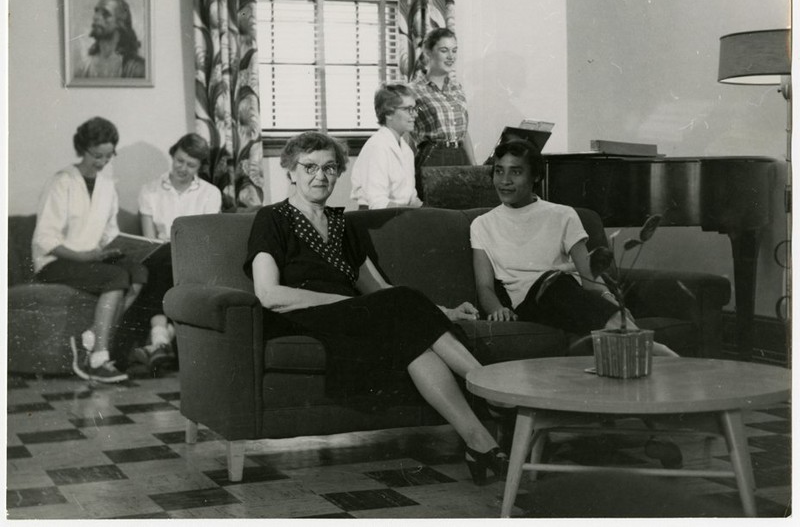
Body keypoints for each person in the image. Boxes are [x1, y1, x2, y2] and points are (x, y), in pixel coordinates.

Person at [245, 131, 507, 485]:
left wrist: (444, 311)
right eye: (309, 167)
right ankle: (491, 389)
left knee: (416, 345)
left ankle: (479, 442)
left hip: (355, 316)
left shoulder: (343, 225)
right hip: (301, 317)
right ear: (290, 172)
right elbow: (269, 294)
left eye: (329, 168)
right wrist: (347, 302)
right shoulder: (272, 218)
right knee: (401, 310)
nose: (319, 176)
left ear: (339, 174)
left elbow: (380, 291)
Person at [470, 138, 678, 356]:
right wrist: (497, 309)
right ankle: (651, 348)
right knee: (557, 284)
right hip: (529, 305)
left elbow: (588, 275)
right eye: (499, 171)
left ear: (536, 176)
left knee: (566, 285)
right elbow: (484, 286)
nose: (505, 181)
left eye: (516, 172)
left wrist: (611, 300)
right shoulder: (482, 225)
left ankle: (635, 345)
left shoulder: (563, 215)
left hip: (567, 295)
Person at [32, 117, 147, 383]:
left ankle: (92, 336)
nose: (102, 163)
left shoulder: (108, 186)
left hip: (90, 260)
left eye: (108, 157)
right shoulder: (62, 181)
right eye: (97, 156)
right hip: (55, 262)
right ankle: (98, 358)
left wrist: (118, 248)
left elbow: (108, 232)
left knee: (139, 272)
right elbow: (45, 237)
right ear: (82, 149)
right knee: (115, 278)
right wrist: (84, 256)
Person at [125, 134, 222, 373]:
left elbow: (206, 239)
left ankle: (157, 338)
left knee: (168, 257)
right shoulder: (149, 191)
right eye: (179, 161)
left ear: (200, 167)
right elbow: (149, 241)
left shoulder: (210, 194)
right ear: (173, 155)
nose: (183, 168)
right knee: (162, 256)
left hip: (195, 259)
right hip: (160, 258)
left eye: (191, 165)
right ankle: (162, 340)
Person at [411, 28, 475, 199]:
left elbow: (464, 132)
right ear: (428, 52)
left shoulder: (457, 88)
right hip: (432, 158)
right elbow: (407, 136)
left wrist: (474, 167)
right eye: (444, 50)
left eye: (454, 50)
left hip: (460, 157)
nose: (451, 56)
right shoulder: (414, 91)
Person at [350, 82, 423, 210]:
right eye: (408, 109)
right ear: (388, 113)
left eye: (415, 109)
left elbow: (411, 197)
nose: (415, 115)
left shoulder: (406, 150)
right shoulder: (378, 147)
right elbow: (377, 203)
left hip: (398, 215)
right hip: (376, 220)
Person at [76, 0, 145, 79]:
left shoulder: (136, 67)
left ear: (120, 23)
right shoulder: (85, 67)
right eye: (96, 11)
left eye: (105, 14)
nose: (96, 17)